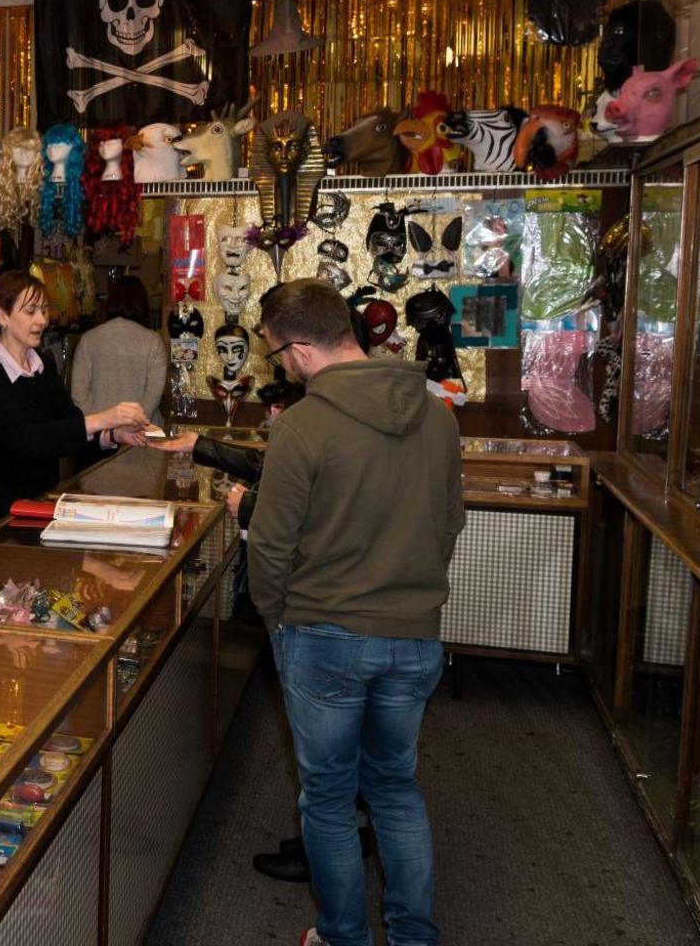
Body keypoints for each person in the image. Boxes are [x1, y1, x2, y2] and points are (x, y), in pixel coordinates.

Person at [245, 278, 462, 946]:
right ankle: (412, 938)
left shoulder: (303, 426)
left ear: (299, 348)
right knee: (396, 789)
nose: (281, 367)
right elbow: (451, 522)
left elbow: (271, 547)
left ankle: (342, 937)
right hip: (414, 635)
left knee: (332, 802)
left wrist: (276, 619)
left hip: (322, 636)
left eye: (278, 355)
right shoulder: (437, 414)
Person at [0, 270, 149, 537]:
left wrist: (112, 435)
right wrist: (106, 418)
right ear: (2, 316)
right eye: (31, 311)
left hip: (35, 512)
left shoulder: (42, 365)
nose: (42, 320)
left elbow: (69, 429)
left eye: (44, 310)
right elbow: (27, 441)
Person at [69, 274, 168, 427]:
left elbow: (78, 394)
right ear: (142, 303)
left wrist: (102, 423)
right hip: (143, 437)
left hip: (100, 436)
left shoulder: (88, 339)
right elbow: (153, 396)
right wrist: (132, 424)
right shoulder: (154, 341)